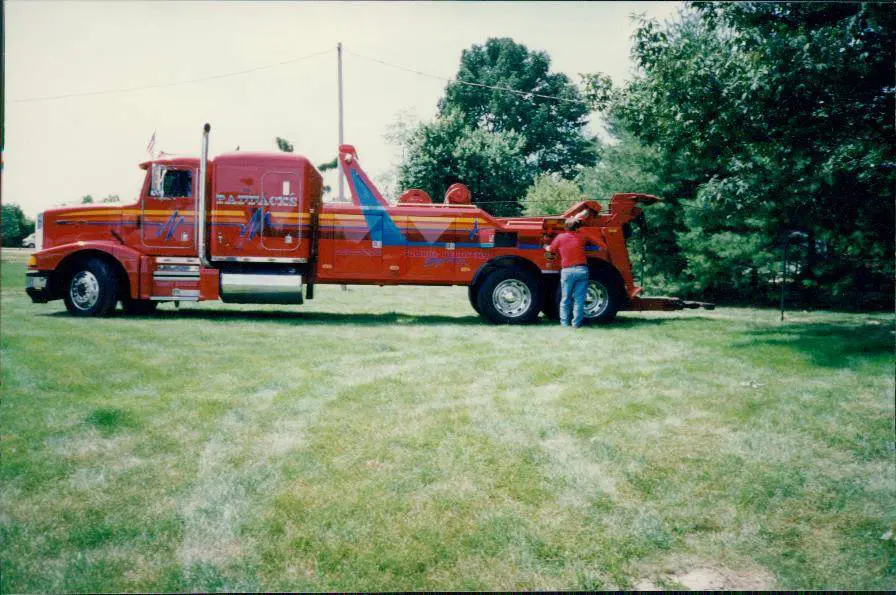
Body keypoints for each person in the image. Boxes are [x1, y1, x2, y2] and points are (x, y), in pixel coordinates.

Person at [545, 215, 589, 328]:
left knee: (565, 299)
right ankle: (576, 324)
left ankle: (564, 324)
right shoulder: (582, 237)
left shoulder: (560, 237)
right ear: (577, 227)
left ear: (565, 227)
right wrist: (578, 220)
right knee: (579, 299)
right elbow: (583, 230)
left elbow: (551, 249)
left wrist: (545, 245)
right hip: (582, 270)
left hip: (568, 271)